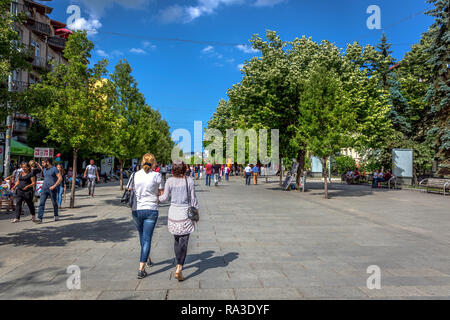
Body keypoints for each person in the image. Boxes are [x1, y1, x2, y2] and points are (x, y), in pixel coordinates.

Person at [159, 160, 199, 282]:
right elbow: (193, 200)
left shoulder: (169, 181)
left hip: (173, 214)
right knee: (184, 241)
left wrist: (155, 197)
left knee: (176, 240)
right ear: (184, 169)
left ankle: (178, 264)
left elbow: (164, 198)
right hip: (185, 214)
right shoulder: (189, 180)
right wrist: (196, 213)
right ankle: (179, 267)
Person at [128, 154, 164, 279]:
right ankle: (141, 268)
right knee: (147, 238)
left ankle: (147, 258)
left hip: (137, 209)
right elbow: (161, 194)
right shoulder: (157, 176)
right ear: (153, 163)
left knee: (142, 236)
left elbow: (129, 189)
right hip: (151, 209)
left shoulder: (135, 175)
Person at [34, 158, 62, 224]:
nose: (42, 164)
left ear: (48, 162)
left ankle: (56, 215)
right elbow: (41, 168)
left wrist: (54, 186)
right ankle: (39, 218)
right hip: (44, 189)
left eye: (43, 163)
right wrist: (37, 165)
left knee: (54, 203)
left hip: (52, 189)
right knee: (41, 203)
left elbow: (60, 178)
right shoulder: (44, 169)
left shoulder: (54, 169)